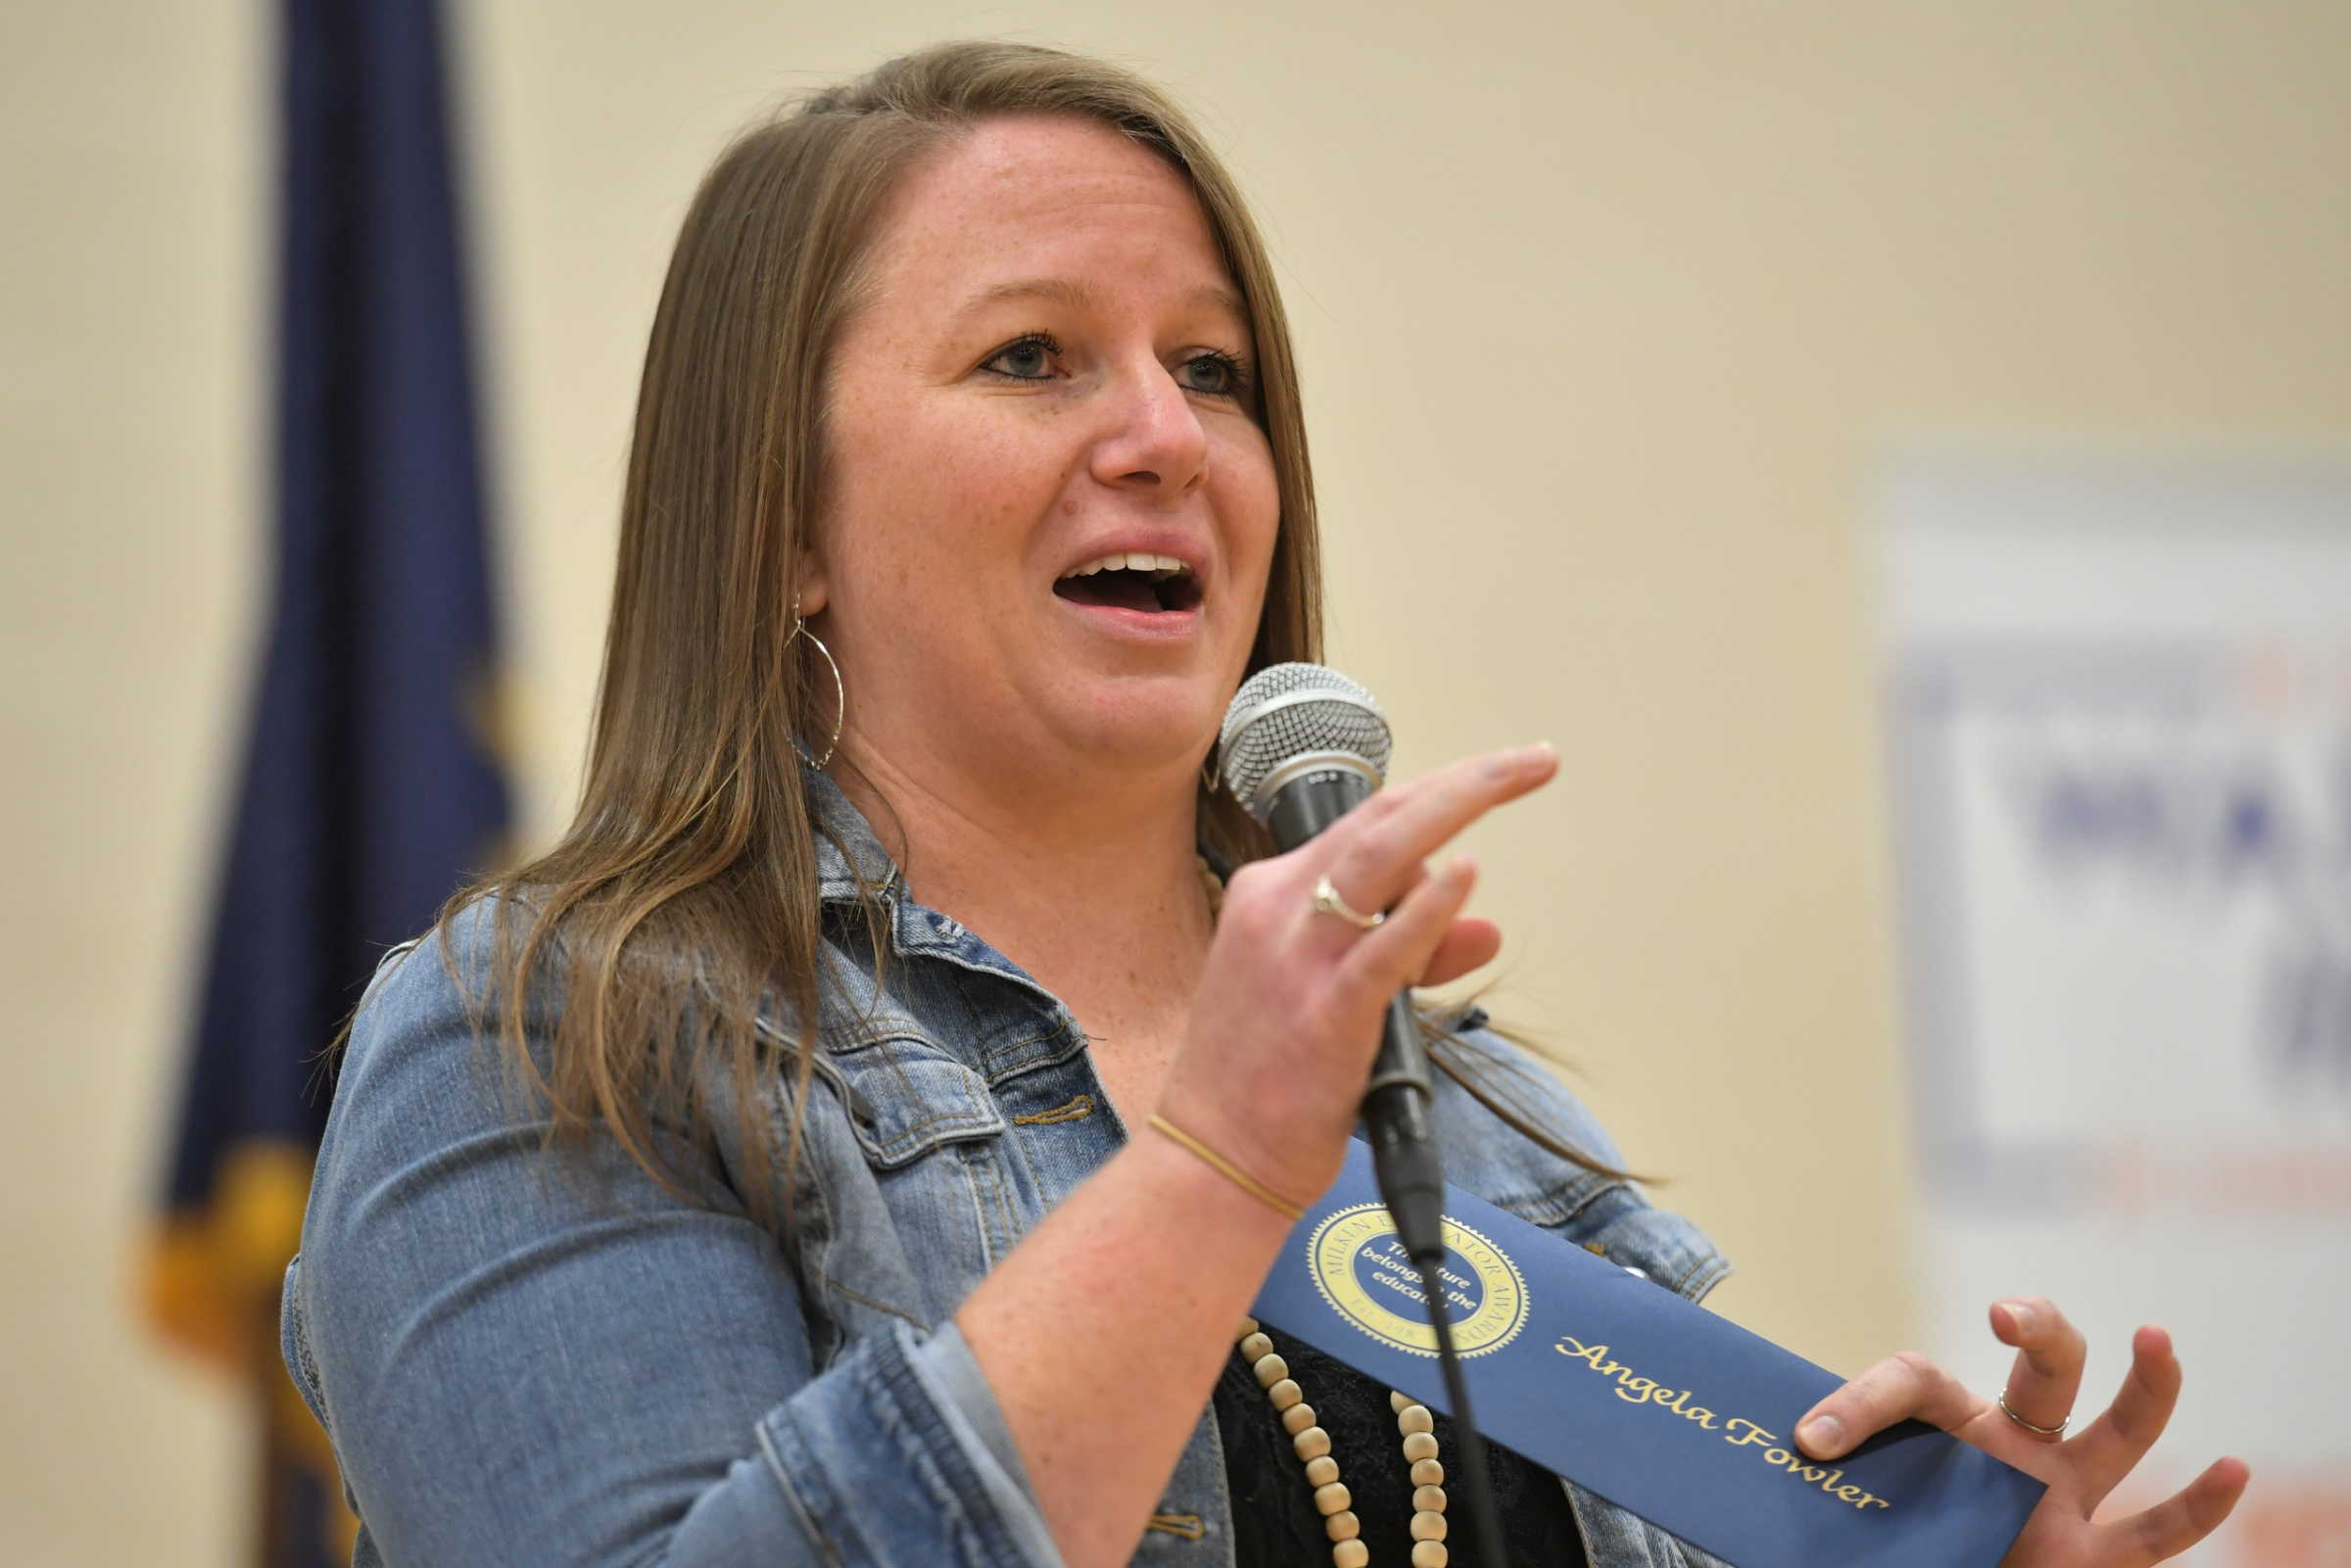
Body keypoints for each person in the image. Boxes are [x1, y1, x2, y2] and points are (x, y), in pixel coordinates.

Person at [283, 40, 2248, 1568]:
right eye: (1035, 356)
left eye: (1213, 370)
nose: (1163, 436)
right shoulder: (554, 1043)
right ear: (784, 519)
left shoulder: (1463, 1112)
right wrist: (1214, 1162)